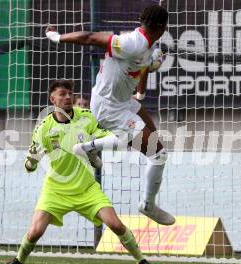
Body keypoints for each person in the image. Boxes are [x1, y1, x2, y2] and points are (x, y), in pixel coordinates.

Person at [0, 79, 157, 264]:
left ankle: (141, 261)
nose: (67, 97)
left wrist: (101, 143)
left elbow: (107, 134)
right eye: (62, 94)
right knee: (35, 232)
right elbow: (30, 165)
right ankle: (17, 260)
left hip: (86, 188)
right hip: (56, 189)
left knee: (115, 224)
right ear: (52, 99)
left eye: (69, 94)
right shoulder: (43, 128)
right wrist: (31, 161)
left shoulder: (87, 117)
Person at [45, 5, 175, 226]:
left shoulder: (147, 46)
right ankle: (148, 205)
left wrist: (141, 91)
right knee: (158, 154)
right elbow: (90, 37)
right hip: (109, 107)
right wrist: (57, 37)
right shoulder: (132, 43)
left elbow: (142, 67)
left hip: (124, 102)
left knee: (150, 135)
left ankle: (89, 147)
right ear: (162, 28)